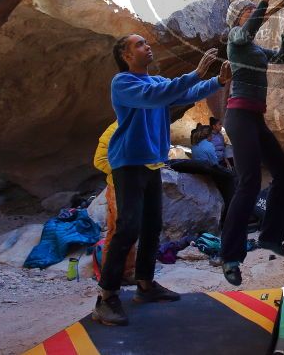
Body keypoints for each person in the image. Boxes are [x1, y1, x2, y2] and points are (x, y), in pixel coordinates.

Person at [93, 36, 231, 327]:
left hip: (151, 162)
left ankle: (145, 285)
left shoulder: (155, 80)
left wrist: (217, 81)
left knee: (153, 226)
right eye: (140, 44)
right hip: (128, 163)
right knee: (128, 227)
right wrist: (196, 73)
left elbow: (181, 94)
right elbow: (157, 96)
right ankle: (106, 297)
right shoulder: (123, 83)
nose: (148, 47)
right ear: (125, 54)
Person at [220, 0, 284, 286]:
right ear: (238, 17)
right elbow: (248, 30)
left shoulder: (255, 50)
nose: (252, 14)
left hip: (255, 119)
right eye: (247, 11)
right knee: (248, 182)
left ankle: (271, 237)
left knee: (283, 173)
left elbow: (281, 58)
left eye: (253, 10)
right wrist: (264, 1)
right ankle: (230, 257)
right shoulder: (235, 39)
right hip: (238, 117)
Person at [93, 121, 136, 284]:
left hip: (133, 188)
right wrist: (125, 172)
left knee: (130, 230)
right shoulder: (114, 130)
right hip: (118, 187)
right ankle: (111, 274)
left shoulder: (139, 128)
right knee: (119, 230)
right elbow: (100, 160)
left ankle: (127, 271)